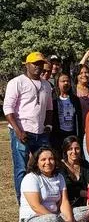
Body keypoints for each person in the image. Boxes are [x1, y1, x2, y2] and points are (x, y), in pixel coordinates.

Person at [4, 51, 54, 202]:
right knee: (21, 169)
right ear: (27, 65)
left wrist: (49, 126)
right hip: (22, 133)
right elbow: (8, 109)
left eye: (40, 64)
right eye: (35, 64)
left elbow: (49, 108)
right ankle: (23, 205)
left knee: (44, 168)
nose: (38, 67)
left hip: (40, 133)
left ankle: (42, 200)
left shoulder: (46, 85)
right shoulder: (16, 82)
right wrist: (18, 131)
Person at [19, 147, 89, 222]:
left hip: (57, 216)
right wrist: (58, 220)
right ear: (36, 162)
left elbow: (64, 201)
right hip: (32, 220)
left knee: (88, 210)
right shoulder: (31, 178)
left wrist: (69, 219)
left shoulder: (59, 177)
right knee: (52, 220)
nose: (48, 162)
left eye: (51, 159)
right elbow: (36, 207)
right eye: (43, 160)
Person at [51, 72, 83, 152]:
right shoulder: (53, 99)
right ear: (57, 83)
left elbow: (79, 118)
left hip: (72, 134)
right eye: (63, 81)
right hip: (58, 135)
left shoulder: (75, 99)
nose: (66, 83)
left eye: (68, 81)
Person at [59, 136, 89, 207]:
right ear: (65, 151)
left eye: (77, 148)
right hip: (67, 204)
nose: (74, 152)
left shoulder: (85, 164)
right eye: (70, 149)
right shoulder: (61, 166)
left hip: (85, 201)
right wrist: (87, 194)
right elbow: (67, 188)